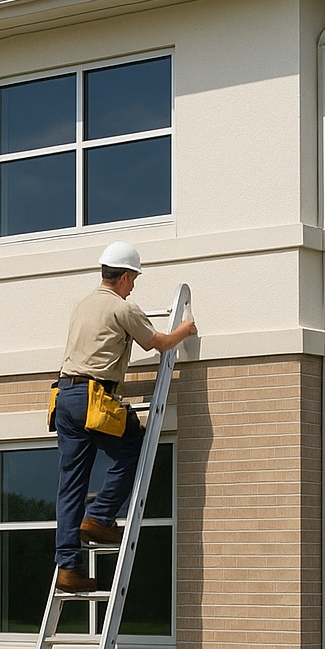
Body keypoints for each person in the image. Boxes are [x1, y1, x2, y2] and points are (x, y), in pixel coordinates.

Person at [52, 242, 197, 591]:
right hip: (93, 399)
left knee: (70, 486)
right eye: (133, 279)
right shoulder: (123, 308)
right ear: (126, 275)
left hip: (64, 396)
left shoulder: (82, 303)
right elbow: (159, 343)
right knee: (134, 443)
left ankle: (68, 568)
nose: (133, 286)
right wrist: (186, 329)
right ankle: (100, 517)